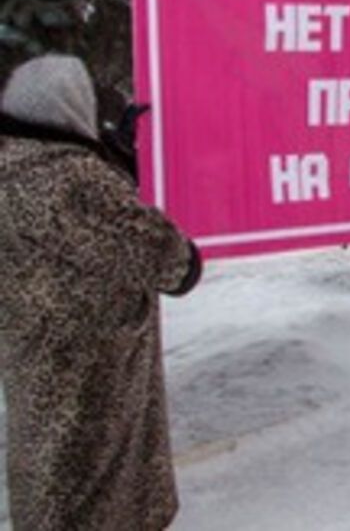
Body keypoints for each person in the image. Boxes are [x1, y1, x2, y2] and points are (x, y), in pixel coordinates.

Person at [0, 55, 202, 530]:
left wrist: (113, 160)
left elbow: (78, 239)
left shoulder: (11, 166)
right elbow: (173, 264)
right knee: (98, 506)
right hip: (96, 392)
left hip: (36, 377)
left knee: (48, 496)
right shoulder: (73, 181)